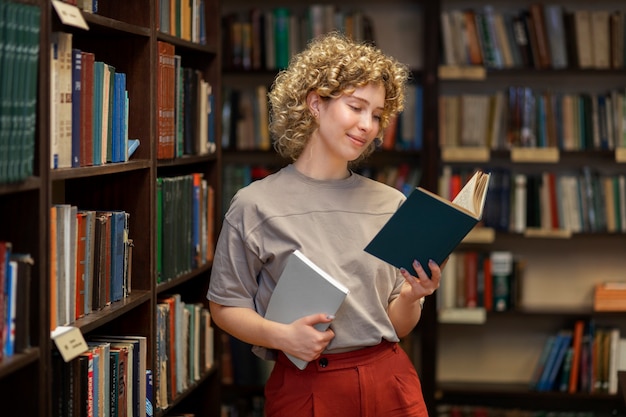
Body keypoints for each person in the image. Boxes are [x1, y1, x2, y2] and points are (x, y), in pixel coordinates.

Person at [207, 32, 442, 417]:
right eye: (356, 107)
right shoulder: (255, 205)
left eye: (378, 115)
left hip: (391, 381)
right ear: (315, 103)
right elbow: (225, 306)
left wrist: (415, 295)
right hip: (307, 387)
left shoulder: (391, 203)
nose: (368, 125)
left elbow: (396, 326)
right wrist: (281, 336)